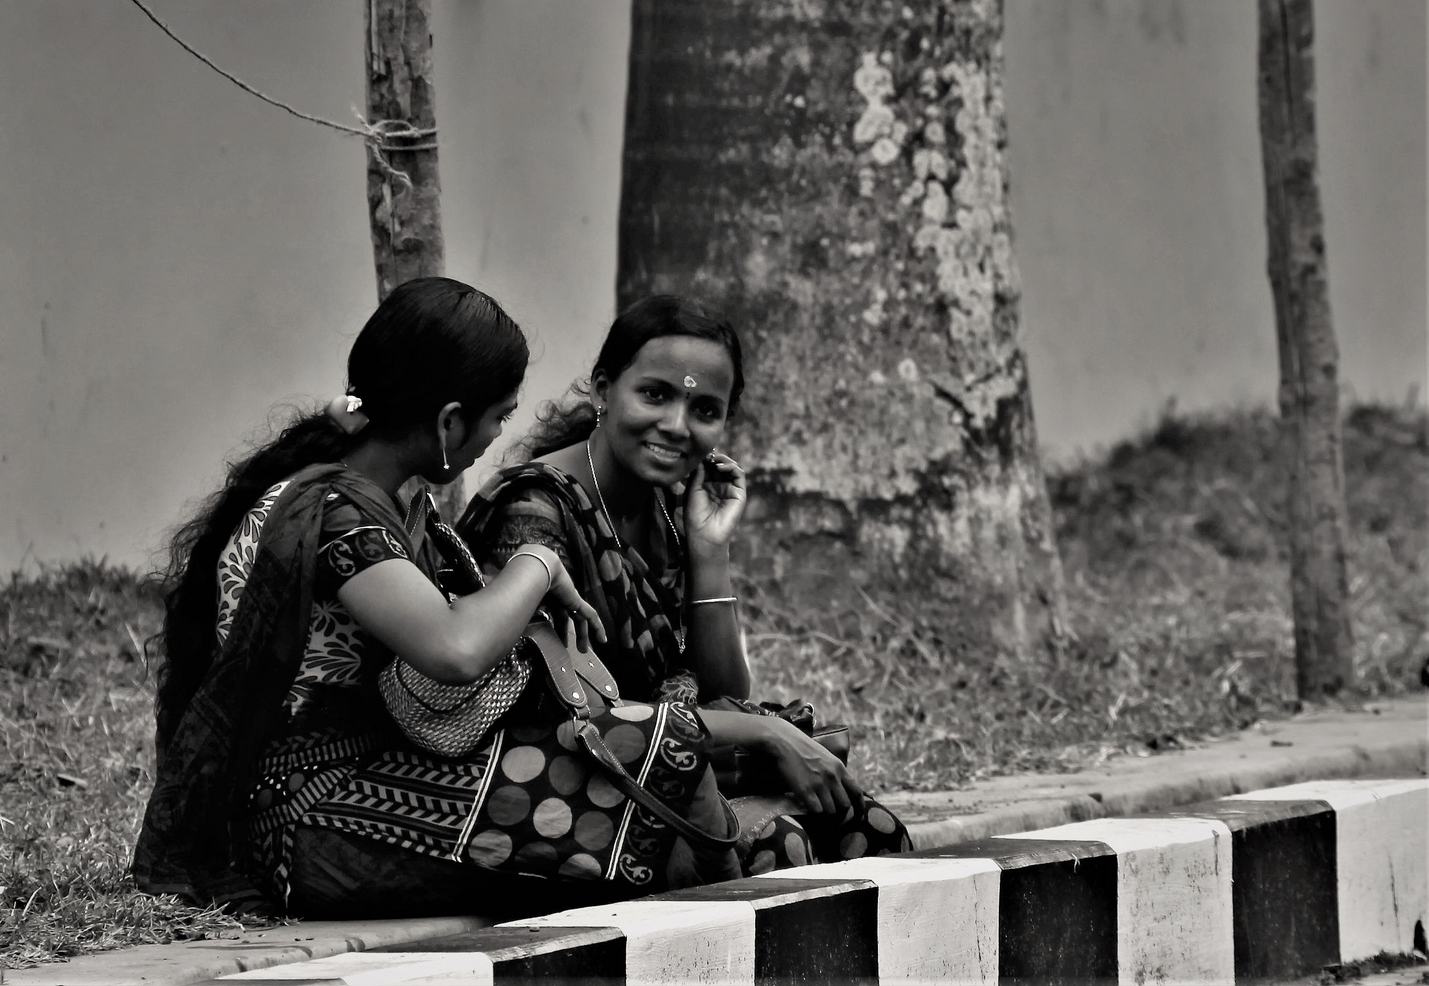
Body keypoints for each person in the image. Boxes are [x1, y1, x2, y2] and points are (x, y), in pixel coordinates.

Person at [131, 278, 734, 920]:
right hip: (309, 809)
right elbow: (456, 648)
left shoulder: (397, 502)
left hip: (389, 768)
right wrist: (537, 561)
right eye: (499, 416)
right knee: (663, 776)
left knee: (662, 773)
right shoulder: (338, 516)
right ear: (449, 421)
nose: (497, 436)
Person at [459, 294, 912, 874]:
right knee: (781, 846)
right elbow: (585, 719)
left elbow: (721, 686)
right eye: (655, 394)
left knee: (867, 827)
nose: (676, 426)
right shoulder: (535, 511)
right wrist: (764, 733)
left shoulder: (672, 504)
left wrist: (709, 549)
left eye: (704, 409)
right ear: (602, 390)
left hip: (673, 768)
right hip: (569, 786)